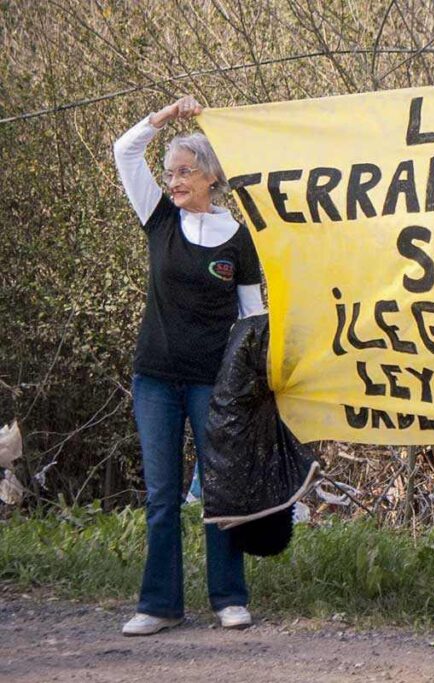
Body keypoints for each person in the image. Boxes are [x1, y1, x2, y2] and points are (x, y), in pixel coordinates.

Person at [113, 95, 266, 636]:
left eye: (183, 172)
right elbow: (123, 152)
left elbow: (253, 316)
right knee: (161, 496)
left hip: (213, 383)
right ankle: (159, 606)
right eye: (169, 172)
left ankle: (228, 597)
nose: (172, 180)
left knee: (221, 489)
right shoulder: (159, 219)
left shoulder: (240, 239)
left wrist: (254, 382)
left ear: (211, 178)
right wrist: (161, 119)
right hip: (154, 377)